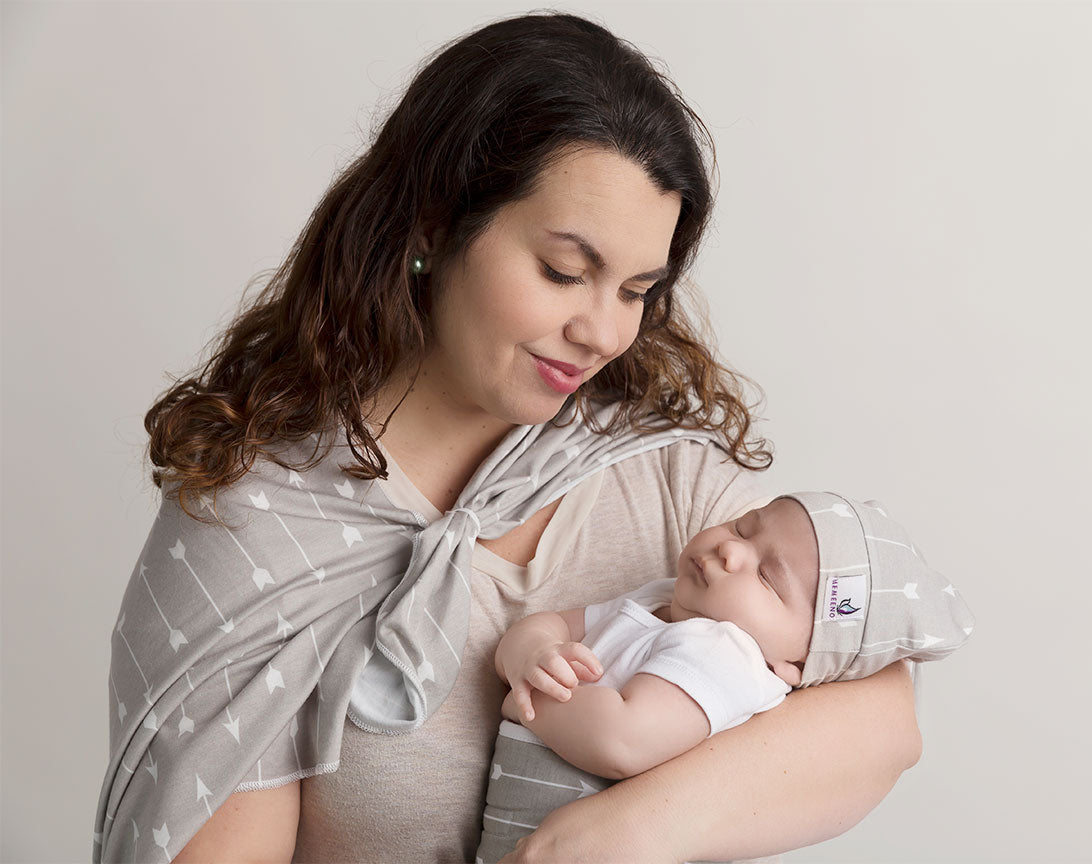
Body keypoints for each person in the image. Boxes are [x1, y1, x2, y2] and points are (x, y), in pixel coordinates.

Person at [94, 12, 923, 864]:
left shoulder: (665, 478)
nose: (603, 333)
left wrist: (621, 832)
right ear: (432, 227)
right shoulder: (261, 531)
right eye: (565, 272)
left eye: (638, 290)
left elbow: (884, 717)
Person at [476, 492, 974, 862]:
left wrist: (527, 691)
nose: (731, 552)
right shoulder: (663, 599)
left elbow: (619, 741)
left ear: (792, 667)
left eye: (766, 577)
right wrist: (532, 650)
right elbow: (553, 625)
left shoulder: (726, 653)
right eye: (743, 527)